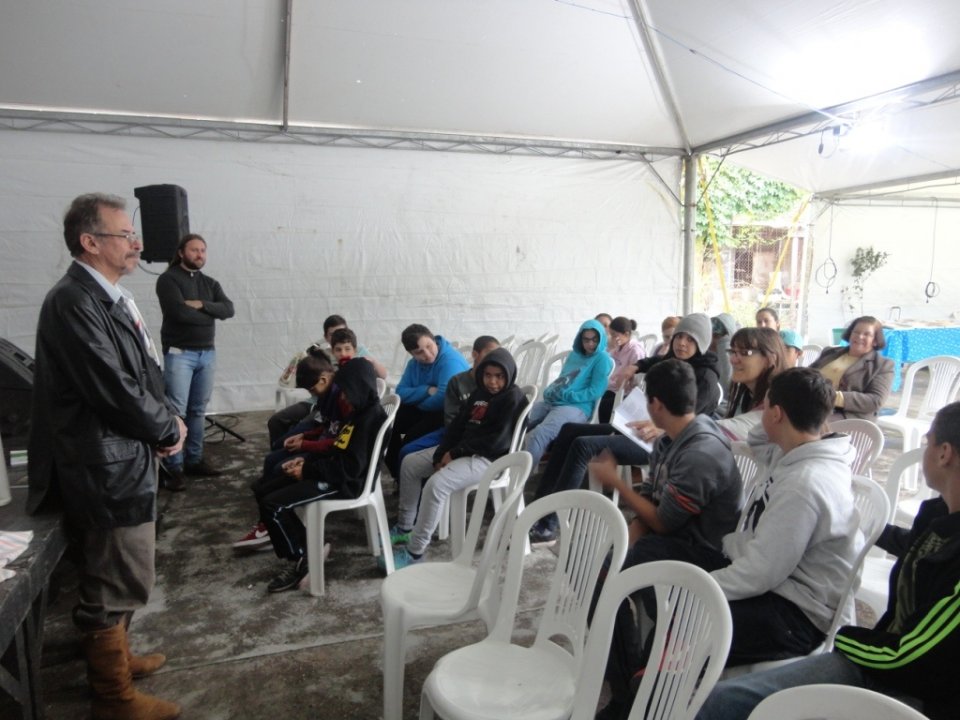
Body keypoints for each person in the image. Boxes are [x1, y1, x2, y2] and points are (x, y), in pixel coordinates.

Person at [696, 401, 960, 720]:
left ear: (944, 453)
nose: (925, 450)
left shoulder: (807, 478)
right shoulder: (939, 517)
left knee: (725, 702)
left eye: (927, 441)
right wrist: (853, 520)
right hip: (881, 659)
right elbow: (916, 546)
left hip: (910, 687)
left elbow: (910, 655)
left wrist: (846, 639)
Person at [28, 193, 186, 719]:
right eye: (124, 235)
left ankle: (118, 656)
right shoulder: (75, 301)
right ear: (89, 242)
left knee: (122, 573)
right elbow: (113, 388)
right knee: (114, 577)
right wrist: (167, 426)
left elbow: (137, 374)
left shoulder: (103, 295)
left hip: (120, 457)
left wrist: (164, 421)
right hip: (105, 465)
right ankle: (113, 697)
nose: (136, 243)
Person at [588, 359, 743, 720]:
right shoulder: (669, 438)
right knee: (606, 569)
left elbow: (663, 521)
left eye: (646, 400)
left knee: (610, 582)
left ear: (656, 404)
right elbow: (653, 508)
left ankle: (630, 694)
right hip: (673, 540)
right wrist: (623, 545)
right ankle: (629, 679)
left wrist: (615, 482)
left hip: (702, 554)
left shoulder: (701, 452)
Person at [526, 314, 720, 540]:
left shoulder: (705, 377)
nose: (682, 343)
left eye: (690, 339)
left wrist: (661, 428)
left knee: (583, 445)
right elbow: (650, 362)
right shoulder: (673, 361)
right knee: (569, 430)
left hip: (662, 443)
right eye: (679, 337)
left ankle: (549, 524)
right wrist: (634, 367)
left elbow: (694, 422)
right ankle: (539, 506)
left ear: (702, 343)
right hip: (640, 429)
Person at [387, 347, 527, 568]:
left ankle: (415, 551)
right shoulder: (478, 394)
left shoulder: (513, 398)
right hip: (463, 451)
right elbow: (457, 427)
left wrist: (454, 453)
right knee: (410, 463)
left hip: (489, 460)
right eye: (488, 375)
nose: (492, 382)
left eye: (499, 376)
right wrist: (442, 453)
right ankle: (405, 527)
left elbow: (496, 442)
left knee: (435, 485)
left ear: (509, 375)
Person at [257, 358, 386, 592]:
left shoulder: (368, 419)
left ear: (358, 387)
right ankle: (309, 550)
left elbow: (349, 468)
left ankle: (301, 561)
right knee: (262, 490)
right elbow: (338, 447)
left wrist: (307, 469)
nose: (343, 398)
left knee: (272, 505)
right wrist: (305, 460)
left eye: (346, 393)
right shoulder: (358, 412)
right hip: (331, 471)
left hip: (345, 484)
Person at [232, 352, 340, 550]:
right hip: (321, 453)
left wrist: (305, 451)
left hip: (328, 464)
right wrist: (305, 437)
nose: (312, 394)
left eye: (312, 389)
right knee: (272, 461)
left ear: (324, 379)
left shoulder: (345, 399)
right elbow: (328, 428)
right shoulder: (329, 396)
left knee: (278, 474)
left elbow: (338, 444)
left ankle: (286, 535)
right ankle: (273, 527)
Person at [155, 233, 234, 490]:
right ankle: (173, 467)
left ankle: (195, 459)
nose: (200, 255)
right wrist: (211, 313)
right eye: (194, 250)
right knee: (176, 410)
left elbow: (229, 309)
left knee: (198, 409)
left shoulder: (209, 283)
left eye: (203, 250)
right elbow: (178, 313)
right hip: (181, 353)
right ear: (181, 253)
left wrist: (201, 304)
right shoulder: (168, 280)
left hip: (206, 353)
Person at [269, 315, 387, 444]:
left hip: (333, 412)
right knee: (277, 422)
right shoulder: (321, 354)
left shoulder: (358, 355)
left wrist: (372, 362)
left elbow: (382, 375)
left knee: (306, 429)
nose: (343, 352)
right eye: (333, 334)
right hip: (315, 402)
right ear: (326, 338)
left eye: (347, 348)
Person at [523, 319, 614, 470]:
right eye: (586, 339)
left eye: (594, 339)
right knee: (518, 421)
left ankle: (519, 479)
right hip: (555, 401)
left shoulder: (602, 358)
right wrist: (551, 391)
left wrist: (568, 396)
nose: (590, 344)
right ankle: (502, 469)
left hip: (577, 406)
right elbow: (563, 380)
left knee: (538, 434)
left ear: (601, 339)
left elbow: (596, 391)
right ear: (580, 339)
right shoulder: (574, 355)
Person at [387, 324, 471, 477]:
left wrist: (418, 401)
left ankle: (410, 475)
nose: (427, 354)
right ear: (411, 354)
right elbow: (400, 392)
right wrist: (426, 390)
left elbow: (443, 398)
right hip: (427, 409)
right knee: (388, 425)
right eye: (419, 352)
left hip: (448, 414)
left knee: (410, 441)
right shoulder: (414, 364)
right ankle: (398, 475)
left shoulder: (450, 360)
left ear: (434, 340)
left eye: (429, 346)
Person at [809, 315, 894, 419]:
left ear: (875, 340)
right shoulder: (830, 352)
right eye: (856, 332)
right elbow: (807, 374)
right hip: (812, 404)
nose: (860, 336)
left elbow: (875, 400)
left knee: (803, 421)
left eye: (867, 334)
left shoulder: (882, 365)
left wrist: (831, 397)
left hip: (845, 414)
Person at [720, 327, 787, 441]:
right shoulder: (748, 395)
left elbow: (732, 429)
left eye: (744, 352)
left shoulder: (778, 404)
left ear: (770, 358)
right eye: (733, 352)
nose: (733, 360)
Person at [597, 316, 646, 423]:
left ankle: (604, 430)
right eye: (611, 335)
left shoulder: (635, 350)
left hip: (625, 392)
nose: (612, 338)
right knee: (598, 397)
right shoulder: (617, 347)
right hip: (612, 387)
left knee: (604, 404)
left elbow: (637, 379)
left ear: (627, 334)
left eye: (615, 335)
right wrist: (611, 348)